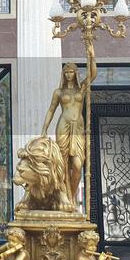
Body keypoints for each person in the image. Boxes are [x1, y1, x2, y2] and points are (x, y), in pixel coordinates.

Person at [41, 62, 91, 204]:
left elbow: (92, 74)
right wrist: (44, 128)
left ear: (75, 73)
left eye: (71, 72)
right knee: (62, 164)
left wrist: (91, 55)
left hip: (78, 128)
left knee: (77, 165)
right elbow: (51, 110)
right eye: (66, 72)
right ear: (63, 75)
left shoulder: (81, 88)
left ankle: (72, 196)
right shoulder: (58, 92)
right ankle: (65, 197)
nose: (69, 75)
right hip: (63, 126)